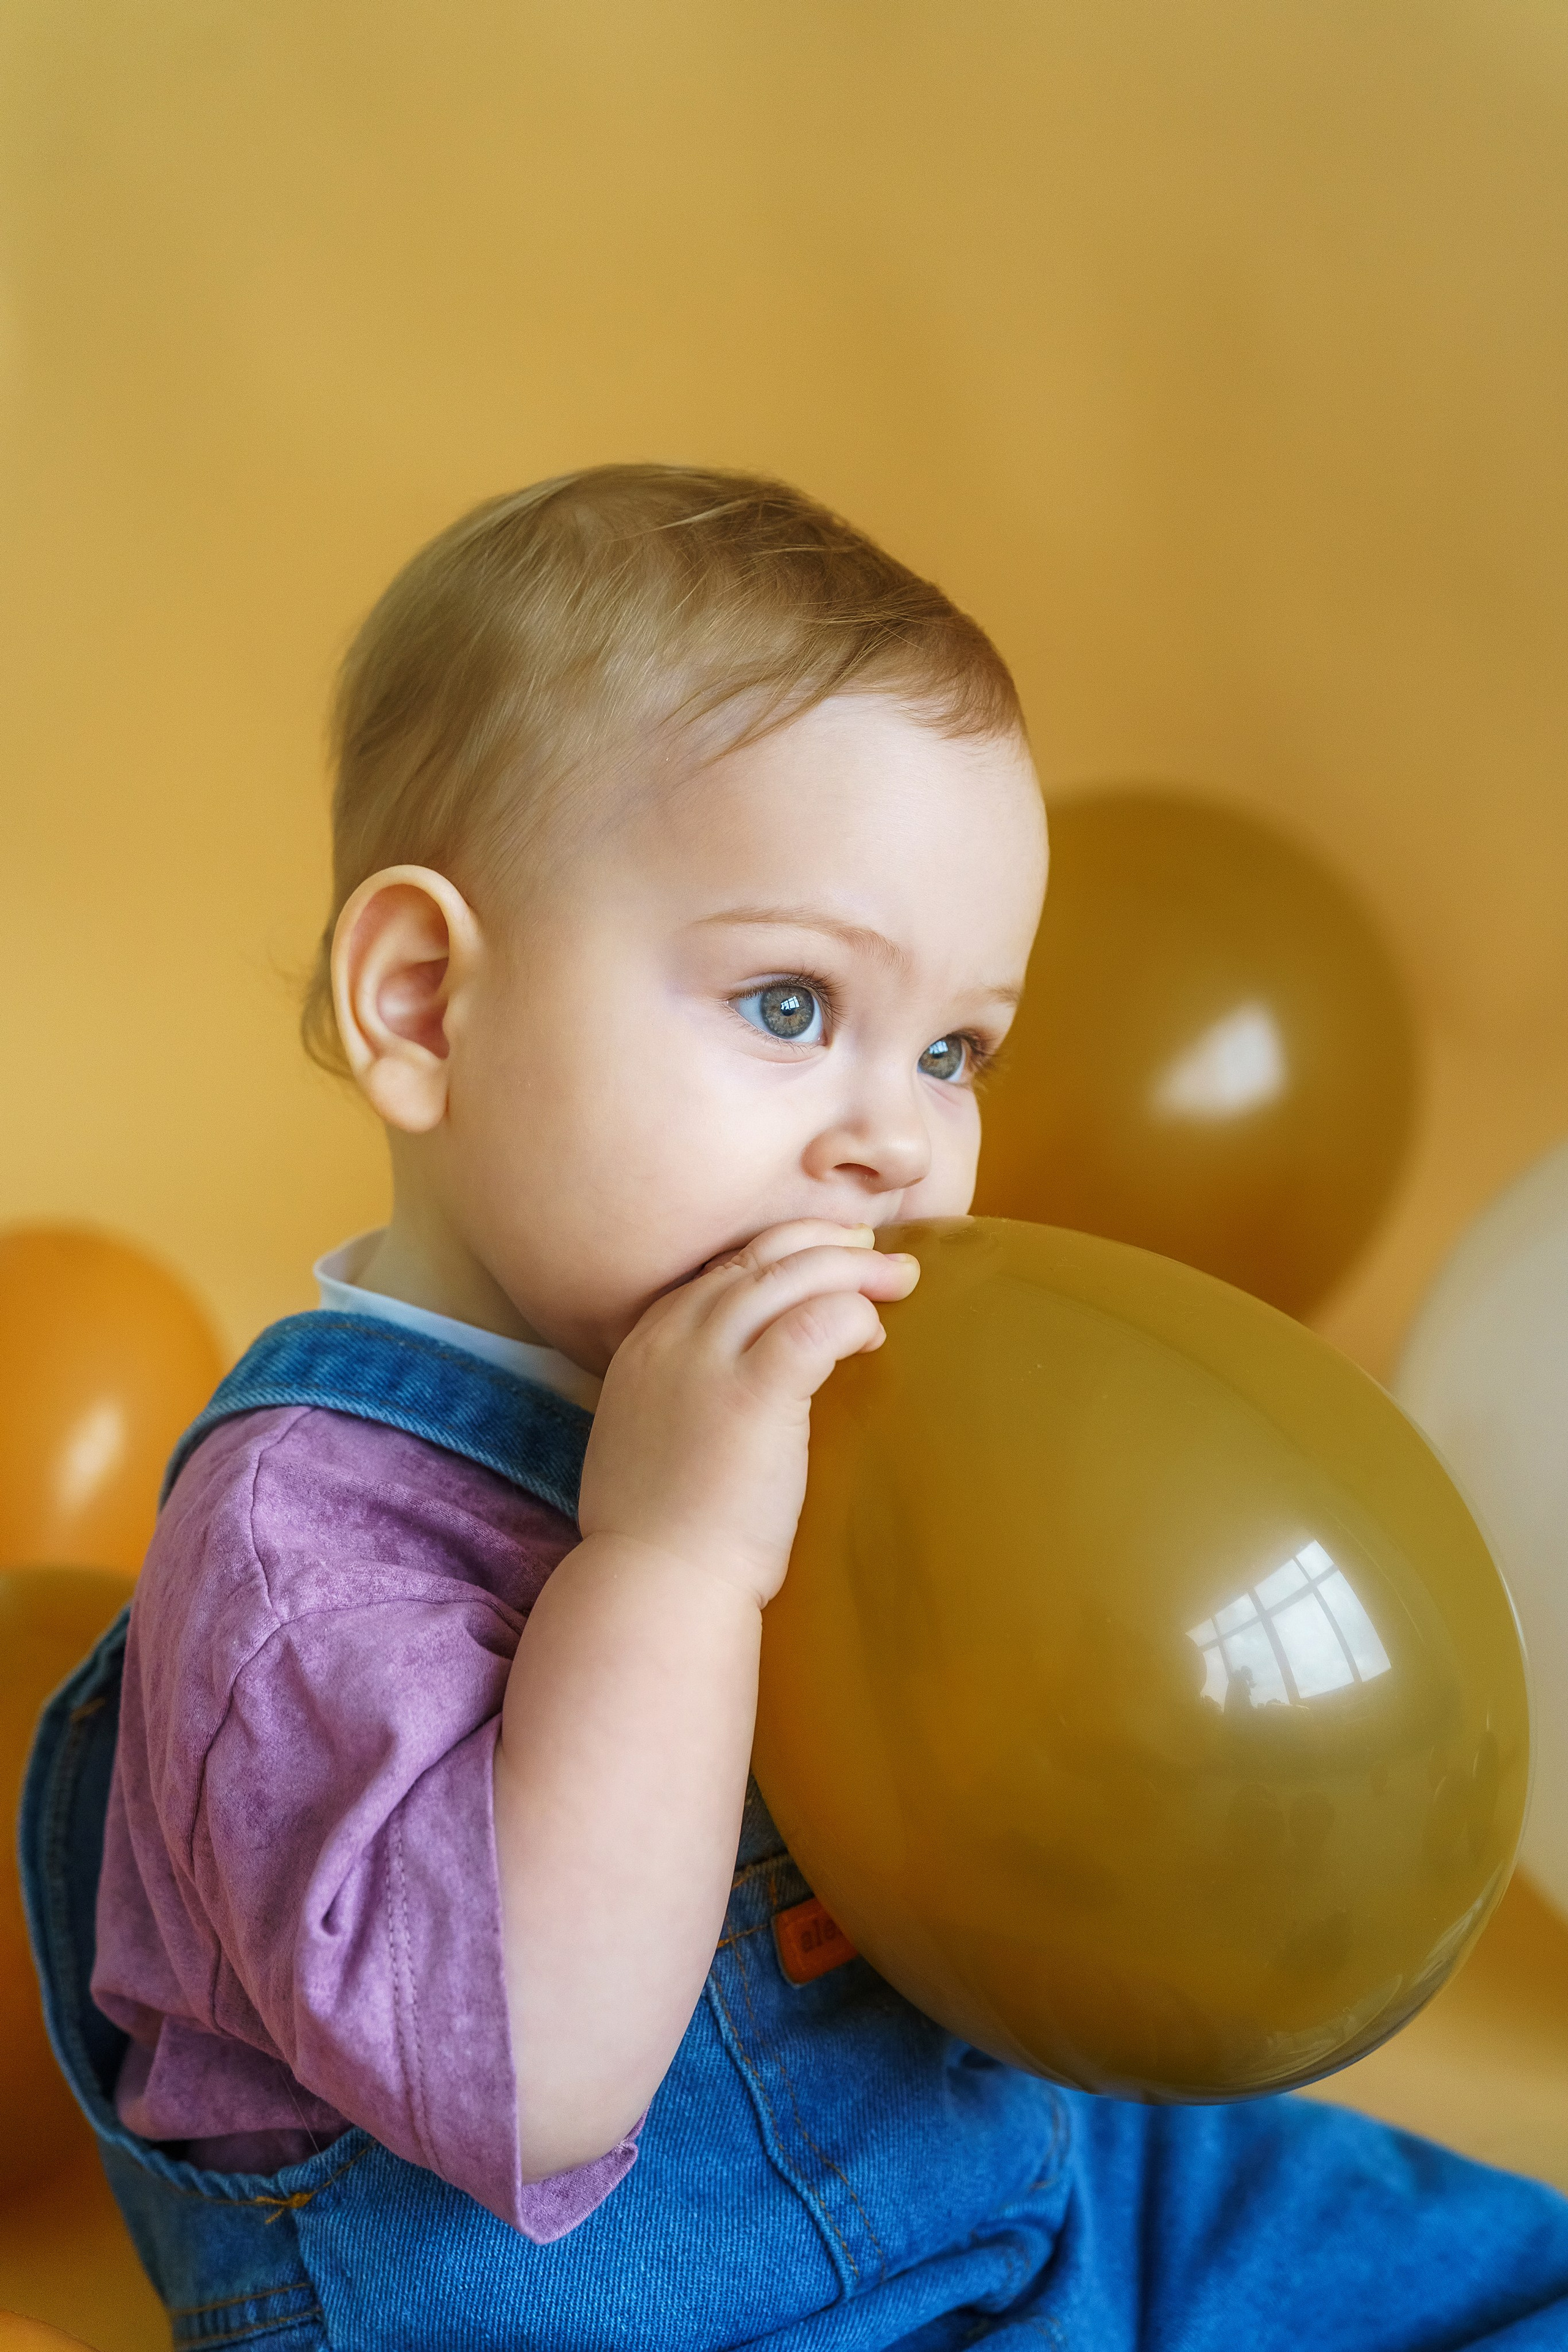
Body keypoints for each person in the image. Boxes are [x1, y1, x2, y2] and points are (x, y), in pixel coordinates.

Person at [23, 466, 1568, 2351]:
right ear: (425, 1005)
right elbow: (546, 2067)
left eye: (953, 1047)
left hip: (1014, 2171)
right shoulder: (298, 1558)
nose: (896, 1136)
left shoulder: (854, 1394)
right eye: (785, 1006)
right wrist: (669, 1558)